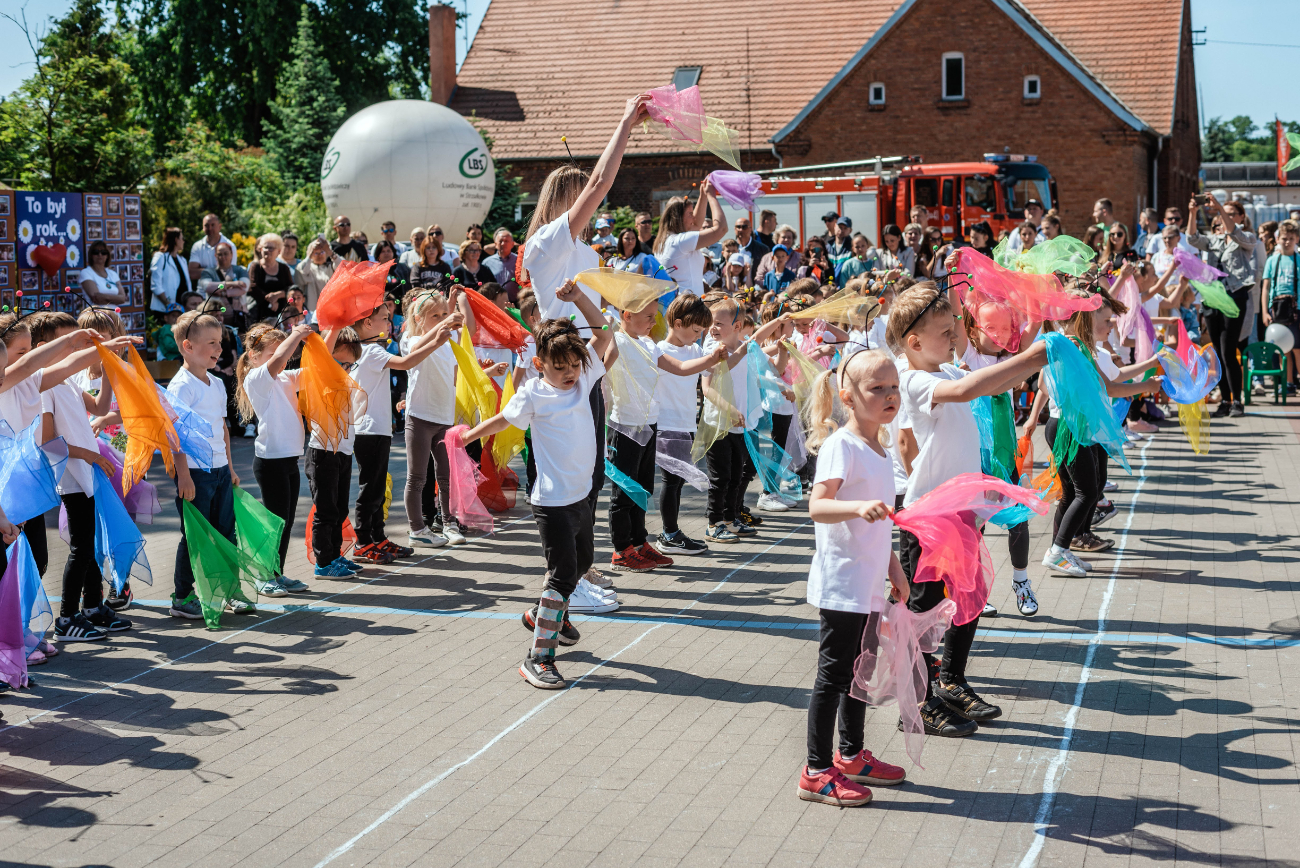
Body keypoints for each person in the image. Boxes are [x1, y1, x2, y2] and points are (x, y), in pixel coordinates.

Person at [888, 281, 1049, 736]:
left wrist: (1045, 352)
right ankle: (914, 706)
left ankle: (951, 681)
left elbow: (993, 381)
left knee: (968, 596)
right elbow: (968, 392)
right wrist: (1036, 356)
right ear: (915, 342)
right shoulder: (915, 378)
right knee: (922, 609)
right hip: (928, 514)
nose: (957, 333)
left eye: (956, 324)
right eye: (946, 329)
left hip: (961, 509)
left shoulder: (945, 369)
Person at [462, 282, 614, 689]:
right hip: (552, 501)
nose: (569, 373)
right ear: (541, 363)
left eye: (574, 365)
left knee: (581, 566)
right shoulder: (532, 394)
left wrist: (580, 298)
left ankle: (544, 615)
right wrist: (467, 437)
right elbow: (503, 421)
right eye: (559, 366)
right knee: (562, 574)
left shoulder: (584, 382)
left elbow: (604, 333)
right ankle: (538, 657)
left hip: (581, 494)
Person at [798, 349, 910, 807]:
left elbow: (881, 524)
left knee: (859, 674)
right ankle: (816, 771)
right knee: (834, 676)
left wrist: (895, 571)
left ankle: (851, 754)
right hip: (842, 585)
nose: (889, 396)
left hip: (867, 585)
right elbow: (818, 507)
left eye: (894, 387)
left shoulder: (881, 448)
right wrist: (855, 507)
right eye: (876, 388)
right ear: (847, 397)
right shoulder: (841, 446)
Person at [603, 291, 727, 572]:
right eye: (648, 316)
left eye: (654, 315)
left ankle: (639, 543)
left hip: (650, 424)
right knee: (623, 493)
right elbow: (599, 370)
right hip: (625, 426)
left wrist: (711, 360)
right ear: (627, 315)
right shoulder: (617, 341)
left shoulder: (649, 345)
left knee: (642, 489)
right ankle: (621, 550)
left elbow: (682, 368)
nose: (653, 322)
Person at [32, 313, 127, 641]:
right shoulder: (44, 386)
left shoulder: (68, 380)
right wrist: (90, 454)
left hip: (85, 473)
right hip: (71, 477)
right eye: (70, 342)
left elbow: (100, 409)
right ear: (45, 348)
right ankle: (67, 617)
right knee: (82, 547)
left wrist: (110, 370)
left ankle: (91, 606)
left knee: (86, 545)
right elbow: (47, 442)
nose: (79, 348)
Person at [166, 309, 241, 620]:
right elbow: (175, 435)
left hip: (220, 469)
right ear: (188, 347)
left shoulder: (218, 383)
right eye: (211, 343)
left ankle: (228, 589)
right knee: (195, 536)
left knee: (226, 532)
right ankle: (182, 596)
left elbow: (221, 427)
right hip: (195, 473)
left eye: (220, 343)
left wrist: (231, 468)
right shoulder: (181, 386)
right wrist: (183, 475)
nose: (219, 349)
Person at [235, 322, 314, 595]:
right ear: (255, 356)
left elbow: (315, 367)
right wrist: (296, 334)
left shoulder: (285, 377)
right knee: (275, 523)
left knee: (286, 521)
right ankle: (263, 576)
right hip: (270, 463)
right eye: (271, 353)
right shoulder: (257, 378)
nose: (279, 358)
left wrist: (331, 330)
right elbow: (280, 358)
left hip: (289, 460)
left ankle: (276, 573)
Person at [400, 289, 466, 549]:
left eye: (443, 314)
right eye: (434, 316)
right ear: (418, 318)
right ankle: (417, 528)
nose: (441, 319)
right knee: (417, 477)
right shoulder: (409, 337)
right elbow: (415, 350)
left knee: (447, 475)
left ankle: (449, 523)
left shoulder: (449, 339)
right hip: (420, 415)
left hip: (444, 415)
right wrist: (442, 327)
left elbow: (454, 373)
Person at [653, 293, 717, 556]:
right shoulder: (659, 350)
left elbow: (710, 372)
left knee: (677, 482)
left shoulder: (695, 349)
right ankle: (669, 534)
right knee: (671, 480)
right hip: (667, 424)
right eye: (695, 330)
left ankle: (672, 532)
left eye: (702, 331)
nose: (699, 335)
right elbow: (682, 368)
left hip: (686, 422)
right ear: (677, 323)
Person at [1187, 195, 1256, 416]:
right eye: (1222, 213)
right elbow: (1192, 238)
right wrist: (1192, 212)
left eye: (1231, 213)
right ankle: (1225, 400)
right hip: (1212, 298)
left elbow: (1234, 232)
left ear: (1241, 217)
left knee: (1228, 350)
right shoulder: (1214, 240)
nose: (1223, 217)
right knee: (1218, 351)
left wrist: (1218, 207)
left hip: (1234, 297)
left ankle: (1237, 400)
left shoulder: (1246, 238)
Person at [654, 179, 727, 292]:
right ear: (677, 218)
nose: (693, 218)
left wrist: (703, 195)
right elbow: (721, 229)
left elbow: (697, 224)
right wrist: (712, 196)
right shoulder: (680, 242)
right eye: (690, 214)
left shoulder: (664, 241)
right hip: (689, 307)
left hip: (680, 304)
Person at [1262, 219, 1300, 395]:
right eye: (1284, 238)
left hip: (1296, 307)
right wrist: (1264, 311)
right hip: (1277, 308)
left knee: (1297, 348)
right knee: (1282, 348)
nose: (1287, 241)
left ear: (1297, 239)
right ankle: (1288, 383)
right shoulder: (1273, 260)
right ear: (1278, 239)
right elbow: (1266, 287)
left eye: (1291, 238)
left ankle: (1297, 380)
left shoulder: (1298, 260)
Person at [197, 241, 250, 326]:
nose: (223, 257)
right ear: (215, 256)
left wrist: (222, 292)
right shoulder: (207, 272)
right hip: (215, 316)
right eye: (220, 254)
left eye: (226, 253)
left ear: (231, 254)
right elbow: (207, 287)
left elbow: (244, 288)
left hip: (238, 316)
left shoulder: (241, 270)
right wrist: (232, 284)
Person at [247, 233, 295, 321]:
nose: (268, 250)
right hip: (259, 312)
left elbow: (290, 288)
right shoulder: (255, 266)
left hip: (281, 313)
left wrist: (278, 295)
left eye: (271, 248)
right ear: (261, 249)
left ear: (279, 251)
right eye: (266, 247)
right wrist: (271, 300)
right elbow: (252, 287)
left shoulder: (284, 268)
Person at [149, 228, 190, 314]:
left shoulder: (182, 260)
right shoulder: (160, 257)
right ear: (176, 239)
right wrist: (169, 305)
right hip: (164, 311)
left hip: (181, 309)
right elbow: (156, 285)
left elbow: (187, 284)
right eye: (182, 238)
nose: (183, 241)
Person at [293, 236, 339, 311]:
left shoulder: (332, 266)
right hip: (312, 311)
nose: (320, 255)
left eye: (322, 252)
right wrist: (310, 254)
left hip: (332, 309)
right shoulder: (308, 267)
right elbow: (301, 271)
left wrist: (330, 252)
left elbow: (344, 266)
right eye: (316, 253)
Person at [78, 240, 127, 306]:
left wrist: (105, 297)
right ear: (91, 255)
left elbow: (123, 299)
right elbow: (96, 299)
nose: (100, 255)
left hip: (114, 316)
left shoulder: (113, 274)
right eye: (96, 252)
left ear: (107, 255)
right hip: (96, 315)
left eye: (103, 252)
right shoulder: (86, 273)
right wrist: (116, 298)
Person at [482, 229, 519, 299]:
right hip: (494, 302)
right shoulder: (487, 263)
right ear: (495, 244)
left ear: (512, 244)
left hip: (515, 302)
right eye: (500, 241)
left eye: (506, 241)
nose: (503, 244)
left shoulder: (519, 261)